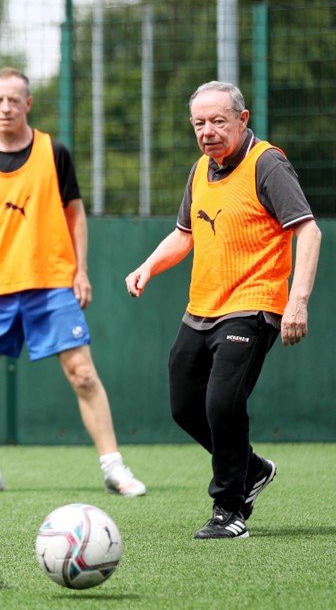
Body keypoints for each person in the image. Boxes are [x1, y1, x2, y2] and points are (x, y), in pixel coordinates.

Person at [0, 67, 146, 498]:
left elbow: (75, 214)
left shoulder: (54, 152)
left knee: (82, 373)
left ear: (28, 103)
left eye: (14, 100)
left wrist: (80, 270)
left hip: (51, 283)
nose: (6, 108)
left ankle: (114, 468)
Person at [126, 81, 320, 539]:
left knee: (222, 404)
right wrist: (148, 266)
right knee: (184, 405)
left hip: (254, 304)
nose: (208, 131)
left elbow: (308, 231)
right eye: (199, 123)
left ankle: (229, 508)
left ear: (242, 119)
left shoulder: (267, 163)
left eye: (218, 121)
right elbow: (184, 234)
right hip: (202, 308)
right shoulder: (201, 169)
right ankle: (251, 469)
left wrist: (298, 301)